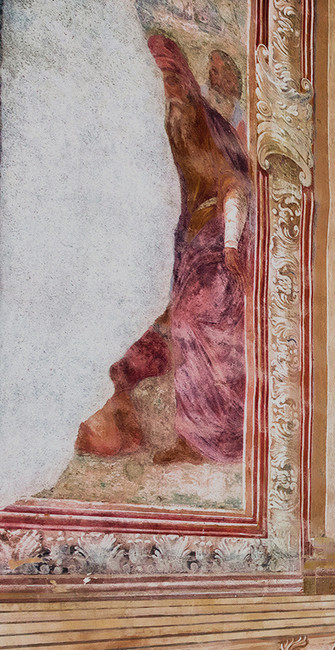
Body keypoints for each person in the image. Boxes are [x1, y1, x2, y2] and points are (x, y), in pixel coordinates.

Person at [77, 34, 254, 466]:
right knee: (157, 325)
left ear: (188, 83)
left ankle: (212, 438)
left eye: (174, 80)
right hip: (188, 246)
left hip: (218, 245)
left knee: (190, 322)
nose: (168, 92)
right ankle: (176, 435)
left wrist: (230, 241)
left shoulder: (205, 126)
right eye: (161, 81)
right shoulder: (160, 128)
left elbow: (235, 183)